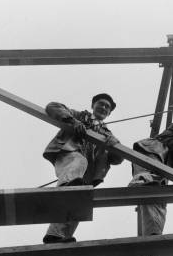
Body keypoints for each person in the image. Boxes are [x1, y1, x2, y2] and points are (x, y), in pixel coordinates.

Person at [42, 93, 124, 243]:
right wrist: (73, 122)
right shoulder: (79, 116)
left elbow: (117, 159)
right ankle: (68, 187)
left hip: (87, 174)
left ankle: (57, 236)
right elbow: (52, 106)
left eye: (107, 107)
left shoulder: (107, 133)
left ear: (109, 113)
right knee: (79, 164)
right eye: (101, 104)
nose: (104, 107)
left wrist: (115, 145)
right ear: (93, 106)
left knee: (80, 200)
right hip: (71, 154)